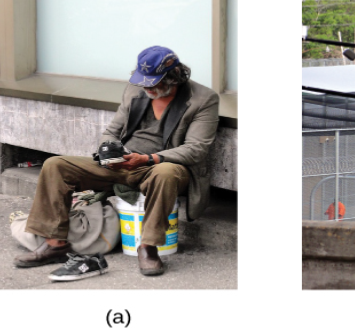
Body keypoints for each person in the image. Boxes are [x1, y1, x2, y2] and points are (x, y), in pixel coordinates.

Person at [13, 46, 219, 277]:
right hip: (124, 162)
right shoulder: (135, 89)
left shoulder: (203, 99)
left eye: (153, 83)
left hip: (161, 167)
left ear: (174, 78)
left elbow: (196, 149)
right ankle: (55, 245)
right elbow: (112, 131)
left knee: (166, 172)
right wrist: (110, 153)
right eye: (143, 82)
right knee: (55, 165)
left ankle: (148, 247)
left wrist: (149, 158)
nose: (146, 87)